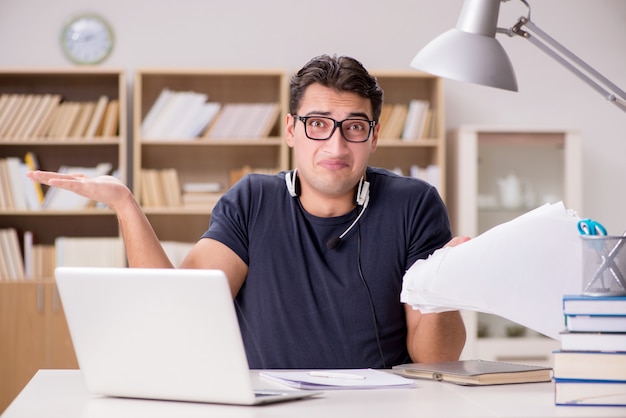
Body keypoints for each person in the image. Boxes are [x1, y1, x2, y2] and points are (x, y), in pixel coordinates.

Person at [28, 54, 468, 369]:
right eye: (318, 125)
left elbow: (438, 359)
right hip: (268, 406)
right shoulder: (253, 199)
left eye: (354, 127)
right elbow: (179, 314)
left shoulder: (414, 203)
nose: (335, 146)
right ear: (292, 130)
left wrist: (442, 286)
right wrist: (125, 205)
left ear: (373, 137)